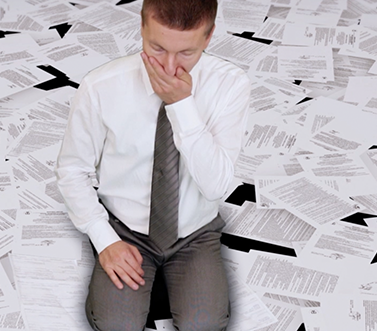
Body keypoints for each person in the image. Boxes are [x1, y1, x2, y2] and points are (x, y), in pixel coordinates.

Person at [55, 0, 250, 330]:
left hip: (195, 232)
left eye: (186, 53)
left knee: (204, 325)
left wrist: (182, 107)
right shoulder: (101, 86)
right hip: (124, 228)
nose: (170, 66)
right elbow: (72, 170)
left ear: (209, 37)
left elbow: (216, 186)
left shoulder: (231, 85)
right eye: (157, 48)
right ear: (142, 28)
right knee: (116, 325)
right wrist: (105, 240)